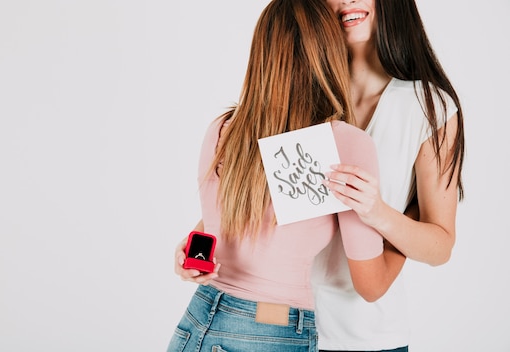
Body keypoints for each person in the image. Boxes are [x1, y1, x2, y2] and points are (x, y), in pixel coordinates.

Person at [167, 0, 405, 351]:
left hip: (198, 320)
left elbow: (216, 229)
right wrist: (406, 219)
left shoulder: (222, 130)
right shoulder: (347, 144)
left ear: (260, 53)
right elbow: (370, 285)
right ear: (328, 52)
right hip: (271, 327)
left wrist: (184, 254)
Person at [313, 0, 466, 351]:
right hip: (279, 328)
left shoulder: (429, 106)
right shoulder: (304, 94)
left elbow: (441, 246)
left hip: (368, 338)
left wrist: (376, 212)